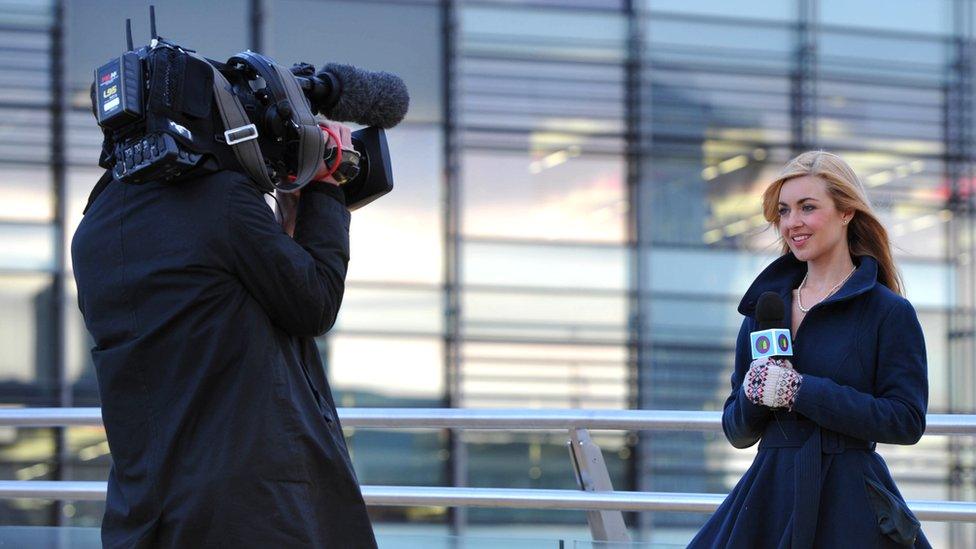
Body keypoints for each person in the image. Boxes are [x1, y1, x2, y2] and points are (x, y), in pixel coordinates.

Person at [71, 120, 378, 548]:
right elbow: (314, 303)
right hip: (251, 511)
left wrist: (283, 232)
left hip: (146, 510)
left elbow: (214, 308)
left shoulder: (94, 227)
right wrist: (327, 187)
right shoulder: (222, 199)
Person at [689, 151, 930, 548]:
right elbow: (736, 430)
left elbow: (905, 420)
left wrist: (800, 391)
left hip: (848, 506)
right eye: (783, 211)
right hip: (770, 499)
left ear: (846, 213)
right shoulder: (765, 307)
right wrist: (754, 393)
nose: (792, 223)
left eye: (807, 208)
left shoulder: (887, 312)